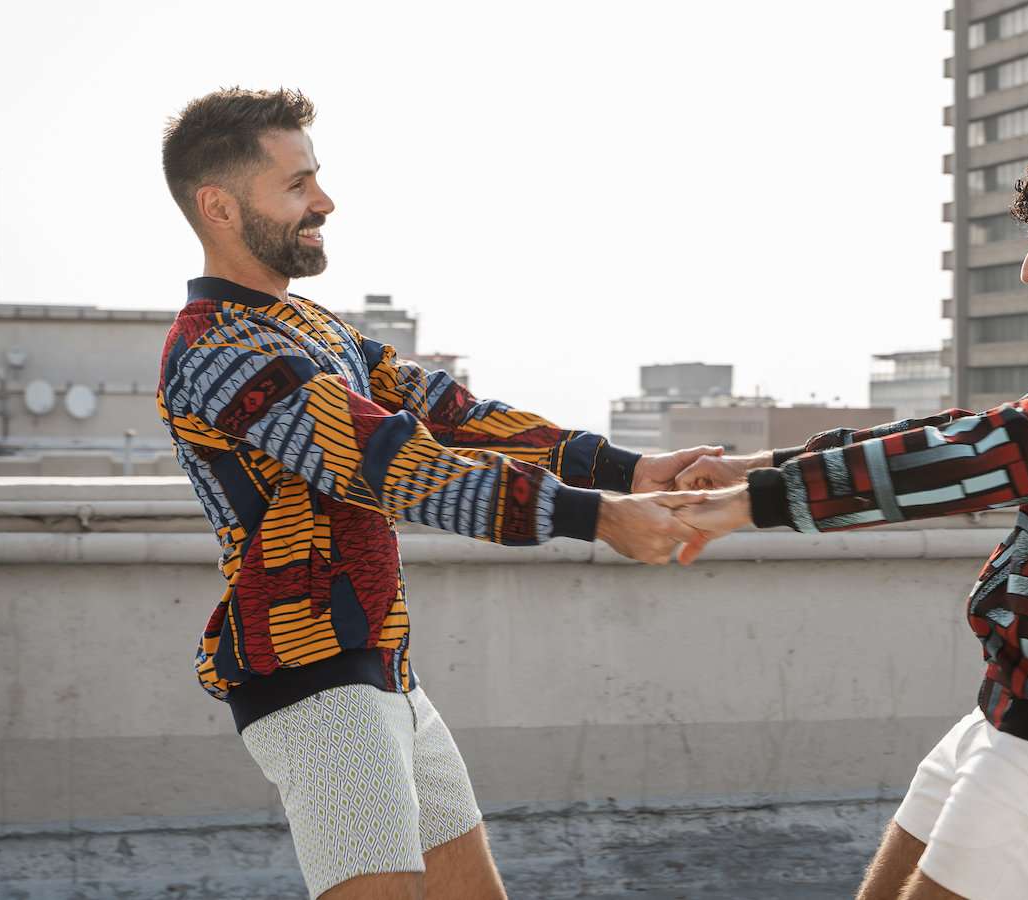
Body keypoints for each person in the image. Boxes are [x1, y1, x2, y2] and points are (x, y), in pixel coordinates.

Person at [155, 87, 715, 900]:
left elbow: (451, 416)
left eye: (317, 177)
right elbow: (394, 465)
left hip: (384, 668)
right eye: (297, 185)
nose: (325, 201)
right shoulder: (218, 349)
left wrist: (628, 470)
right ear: (219, 207)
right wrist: (598, 519)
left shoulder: (312, 326)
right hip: (313, 685)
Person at [673, 133, 1028, 900]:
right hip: (1016, 712)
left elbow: (973, 459)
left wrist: (747, 506)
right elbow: (963, 432)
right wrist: (761, 466)